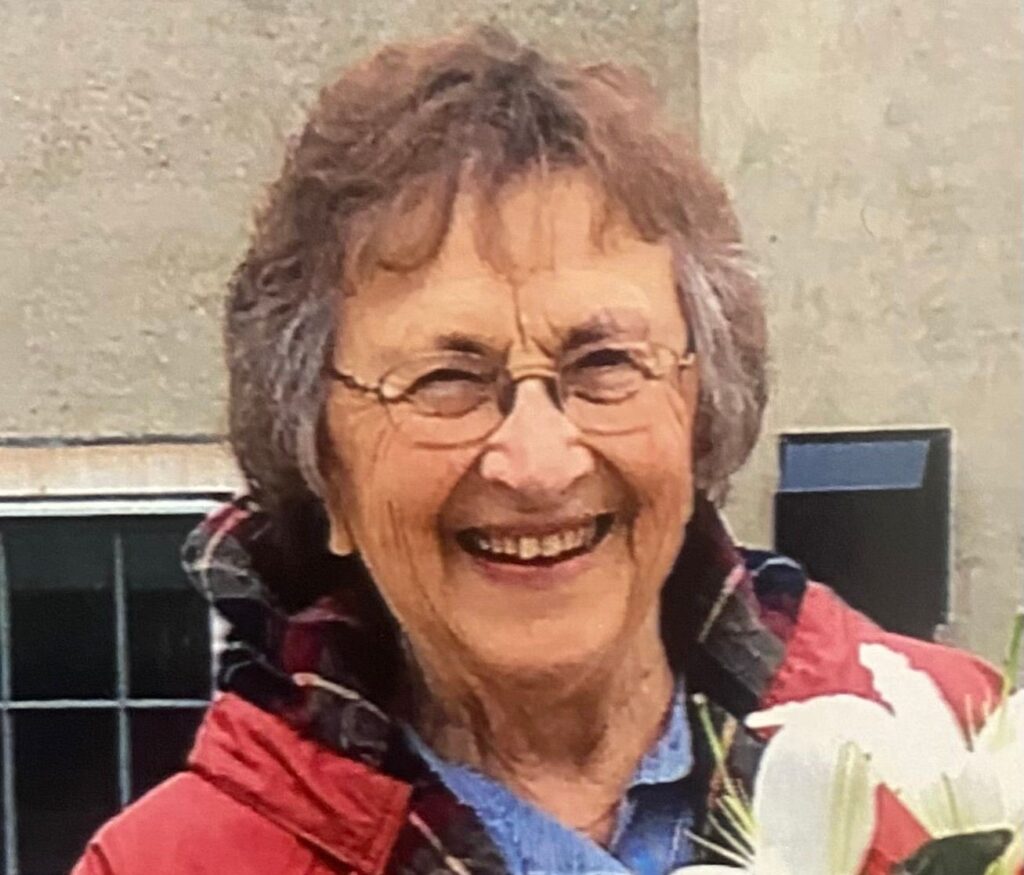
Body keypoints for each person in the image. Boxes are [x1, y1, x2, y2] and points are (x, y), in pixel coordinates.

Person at [73, 26, 1000, 875]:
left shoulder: (963, 756)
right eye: (447, 378)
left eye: (603, 362)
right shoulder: (172, 863)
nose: (538, 461)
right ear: (325, 467)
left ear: (700, 407)